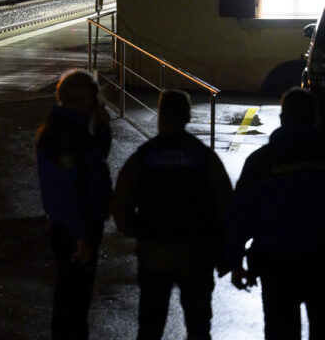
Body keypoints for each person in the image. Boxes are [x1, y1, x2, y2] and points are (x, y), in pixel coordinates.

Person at [111, 89, 232, 340]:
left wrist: (135, 230)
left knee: (151, 326)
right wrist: (224, 252)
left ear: (160, 116)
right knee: (198, 327)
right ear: (188, 117)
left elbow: (121, 201)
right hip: (197, 253)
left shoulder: (145, 156)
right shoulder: (204, 157)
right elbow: (226, 205)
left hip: (155, 252)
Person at [225, 87, 325, 340]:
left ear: (282, 119)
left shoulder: (261, 161)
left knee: (281, 331)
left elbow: (241, 215)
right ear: (315, 118)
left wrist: (235, 263)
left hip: (276, 265)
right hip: (321, 264)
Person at [35, 69, 112, 340]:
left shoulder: (71, 129)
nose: (97, 104)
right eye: (94, 98)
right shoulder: (66, 136)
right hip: (75, 230)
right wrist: (80, 235)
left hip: (75, 226)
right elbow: (68, 190)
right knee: (73, 304)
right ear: (81, 99)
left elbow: (94, 158)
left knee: (74, 298)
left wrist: (102, 128)